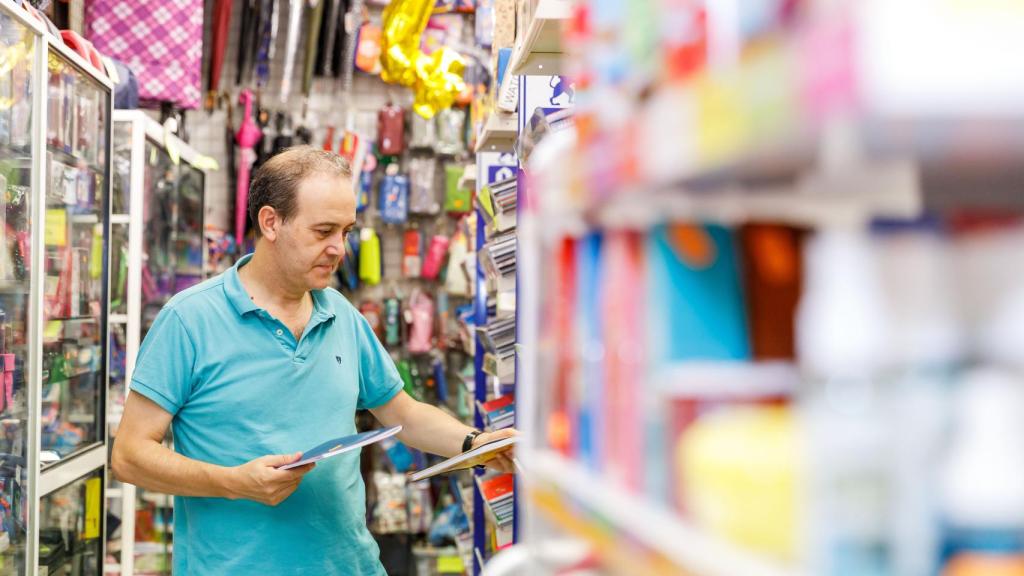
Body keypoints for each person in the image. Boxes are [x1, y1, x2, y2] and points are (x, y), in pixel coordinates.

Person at [112, 146, 517, 574]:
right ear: (271, 222)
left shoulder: (340, 313)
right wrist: (233, 483)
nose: (339, 248)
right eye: (323, 231)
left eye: (345, 231)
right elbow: (129, 455)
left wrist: (475, 442)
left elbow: (403, 414)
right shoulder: (189, 319)